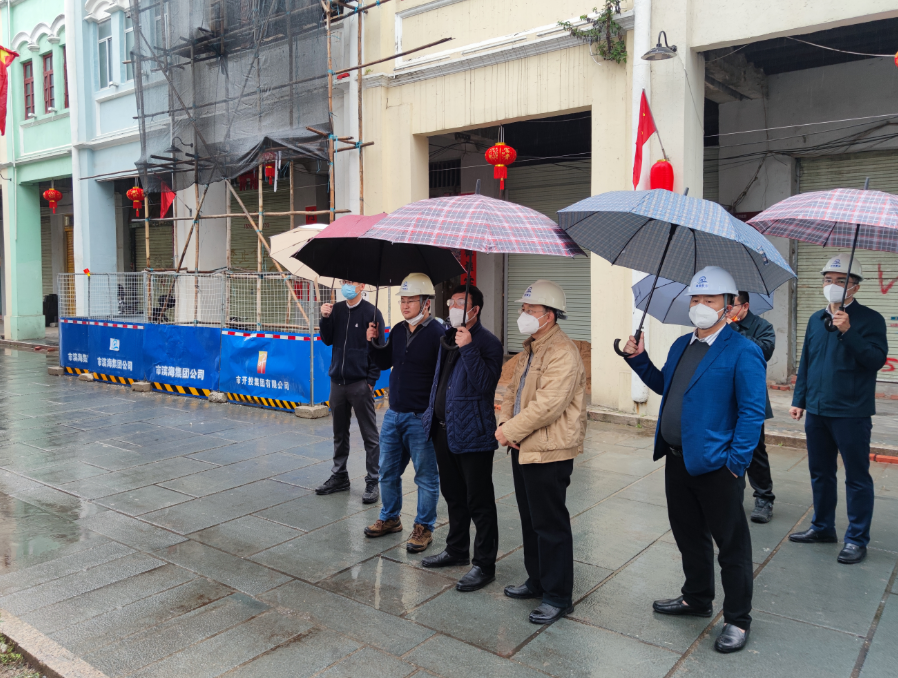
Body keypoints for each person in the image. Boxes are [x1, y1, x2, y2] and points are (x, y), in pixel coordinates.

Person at [622, 266, 766, 654]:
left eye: (709, 300)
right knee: (688, 534)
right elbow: (665, 385)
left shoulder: (743, 351)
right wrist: (639, 359)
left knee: (731, 545)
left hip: (718, 467)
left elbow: (752, 412)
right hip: (677, 460)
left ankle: (737, 619)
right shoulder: (681, 345)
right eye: (696, 299)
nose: (700, 306)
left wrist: (735, 463)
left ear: (729, 306)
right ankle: (697, 598)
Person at [496, 280, 587, 625]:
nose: (524, 315)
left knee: (550, 524)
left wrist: (509, 430)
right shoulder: (530, 349)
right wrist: (505, 423)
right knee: (530, 519)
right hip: (524, 446)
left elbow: (548, 405)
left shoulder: (562, 351)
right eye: (523, 309)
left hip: (549, 450)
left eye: (531, 310)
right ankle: (537, 580)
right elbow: (511, 392)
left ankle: (558, 596)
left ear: (549, 315)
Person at [788, 257, 887, 565]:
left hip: (851, 412)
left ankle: (856, 539)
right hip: (817, 410)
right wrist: (799, 399)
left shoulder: (871, 320)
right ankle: (822, 527)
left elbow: (875, 360)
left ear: (855, 286)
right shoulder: (816, 319)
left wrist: (848, 331)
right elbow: (807, 361)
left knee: (856, 476)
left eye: (841, 280)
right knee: (820, 472)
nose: (832, 286)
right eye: (828, 280)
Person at [420, 284, 504, 592]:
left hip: (473, 433)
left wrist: (468, 347)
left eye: (460, 303)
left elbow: (485, 385)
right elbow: (439, 381)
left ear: (475, 309)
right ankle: (456, 549)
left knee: (479, 500)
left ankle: (484, 564)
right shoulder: (448, 338)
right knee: (453, 495)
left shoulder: (488, 343)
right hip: (443, 429)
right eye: (451, 302)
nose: (453, 307)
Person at [364, 273, 444, 553]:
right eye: (403, 300)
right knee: (387, 471)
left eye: (411, 301)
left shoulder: (438, 334)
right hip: (394, 414)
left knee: (425, 476)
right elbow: (385, 361)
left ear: (426, 303)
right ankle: (390, 518)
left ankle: (424, 527)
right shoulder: (398, 330)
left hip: (421, 418)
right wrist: (372, 342)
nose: (405, 305)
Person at [317, 280, 385, 504]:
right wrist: (324, 318)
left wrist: (371, 381)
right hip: (337, 381)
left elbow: (379, 350)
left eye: (351, 282)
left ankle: (373, 480)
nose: (346, 286)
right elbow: (327, 340)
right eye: (344, 281)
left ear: (362, 286)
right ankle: (339, 476)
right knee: (339, 432)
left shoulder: (372, 313)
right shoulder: (336, 310)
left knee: (369, 435)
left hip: (360, 383)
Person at [728, 291, 777, 523]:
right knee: (724, 447)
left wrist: (733, 329)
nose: (728, 310)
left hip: (750, 398)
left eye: (732, 305)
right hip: (723, 396)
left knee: (755, 450)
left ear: (745, 306)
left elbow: (763, 352)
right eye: (726, 305)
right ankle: (730, 495)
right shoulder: (716, 326)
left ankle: (764, 498)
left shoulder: (762, 327)